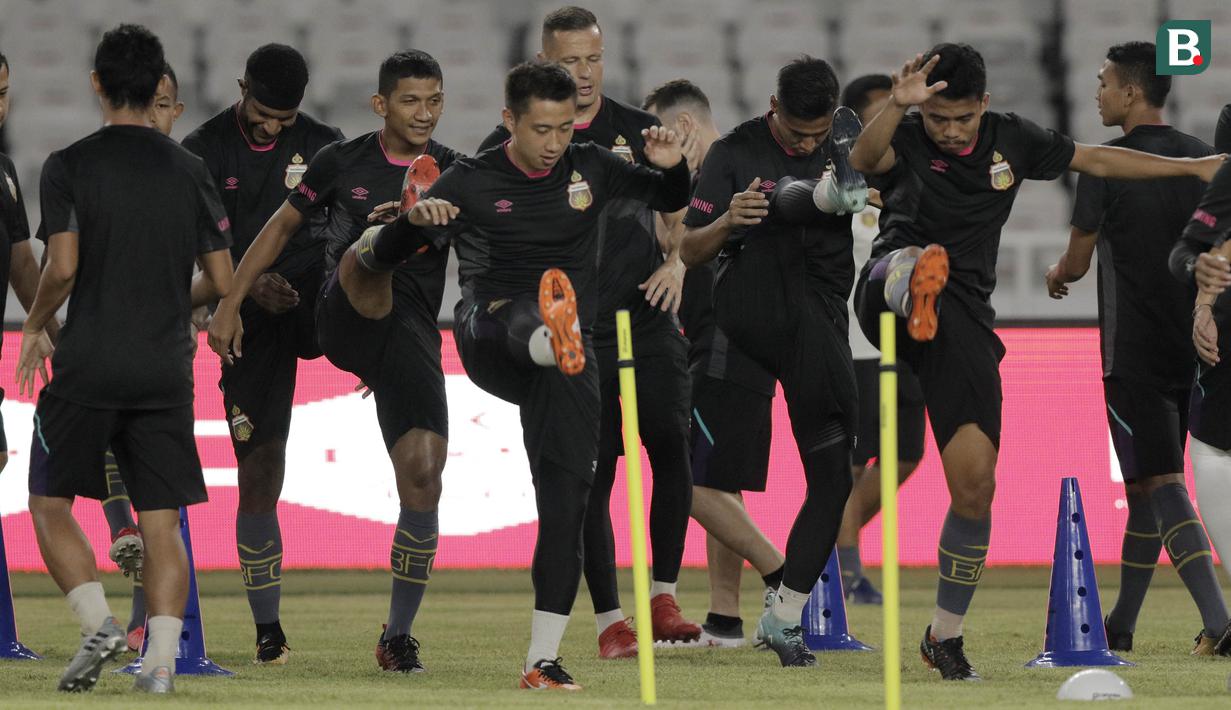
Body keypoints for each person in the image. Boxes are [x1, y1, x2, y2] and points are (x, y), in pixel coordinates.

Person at [848, 42, 1226, 679]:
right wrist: (897, 103)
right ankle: (917, 279)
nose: (949, 131)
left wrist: (1191, 171)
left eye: (961, 120)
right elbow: (863, 157)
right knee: (912, 264)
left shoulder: (1012, 140)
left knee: (976, 482)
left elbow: (1098, 158)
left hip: (959, 323)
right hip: (888, 291)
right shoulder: (906, 132)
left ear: (985, 107)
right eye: (938, 120)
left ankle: (944, 635)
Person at [424, 61, 688, 689]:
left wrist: (672, 162)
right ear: (509, 119)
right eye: (541, 129)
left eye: (565, 129)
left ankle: (541, 660)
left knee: (567, 502)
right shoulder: (471, 178)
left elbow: (670, 200)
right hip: (490, 336)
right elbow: (388, 254)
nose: (553, 143)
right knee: (520, 312)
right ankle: (548, 332)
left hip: (571, 362)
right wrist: (411, 219)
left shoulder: (592, 164)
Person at [208, 49, 460, 674]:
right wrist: (229, 302)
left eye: (433, 100)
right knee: (260, 464)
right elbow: (277, 229)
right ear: (381, 105)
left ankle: (397, 637)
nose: (424, 113)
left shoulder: (458, 172)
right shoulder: (340, 161)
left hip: (406, 333)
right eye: (410, 100)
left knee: (425, 473)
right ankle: (268, 630)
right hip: (336, 311)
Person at [478, 6, 699, 655]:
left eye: (592, 59)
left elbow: (678, 210)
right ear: (544, 59)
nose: (582, 73)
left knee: (670, 444)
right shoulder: (514, 149)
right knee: (590, 473)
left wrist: (678, 260)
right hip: (576, 329)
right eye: (568, 61)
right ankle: (610, 622)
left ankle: (661, 597)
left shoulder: (639, 131)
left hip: (647, 313)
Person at [20, 23, 233, 693]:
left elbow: (63, 265)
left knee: (50, 504)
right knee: (162, 520)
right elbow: (223, 281)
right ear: (160, 86)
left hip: (88, 363)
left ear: (96, 84)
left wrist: (33, 324)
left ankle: (98, 623)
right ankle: (162, 666)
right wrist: (174, 299)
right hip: (165, 368)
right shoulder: (190, 169)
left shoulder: (70, 164)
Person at [680, 56, 867, 668]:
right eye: (796, 134)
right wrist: (731, 219)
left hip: (819, 318)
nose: (806, 142)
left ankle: (783, 613)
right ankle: (729, 606)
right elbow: (689, 247)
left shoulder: (849, 141)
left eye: (818, 137)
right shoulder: (734, 152)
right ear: (772, 107)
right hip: (748, 317)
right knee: (708, 474)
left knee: (835, 473)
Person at [1047, 41, 1230, 655]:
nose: (1096, 93)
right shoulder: (1206, 157)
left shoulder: (1105, 163)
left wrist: (1058, 275)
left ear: (1129, 92)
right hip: (1202, 346)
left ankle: (1219, 619)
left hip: (1135, 351)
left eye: (1103, 83)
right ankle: (1121, 621)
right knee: (1150, 490)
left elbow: (1077, 258)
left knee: (1158, 481)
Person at [182, 43, 343, 665]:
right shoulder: (203, 150)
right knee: (260, 471)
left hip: (314, 299)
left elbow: (343, 231)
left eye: (286, 117)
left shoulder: (325, 145)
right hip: (244, 315)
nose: (274, 127)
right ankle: (268, 629)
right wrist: (240, 292)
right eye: (264, 113)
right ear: (240, 86)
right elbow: (198, 250)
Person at [643, 78, 783, 648]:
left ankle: (791, 579)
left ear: (684, 129)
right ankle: (724, 619)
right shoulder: (725, 173)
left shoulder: (726, 175)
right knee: (720, 483)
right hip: (738, 346)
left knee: (687, 476)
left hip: (724, 344)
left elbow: (684, 252)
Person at [835, 73, 927, 606]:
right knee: (846, 467)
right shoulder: (838, 181)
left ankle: (835, 539)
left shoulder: (908, 176)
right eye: (882, 112)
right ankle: (847, 571)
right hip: (853, 344)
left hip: (902, 343)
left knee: (904, 457)